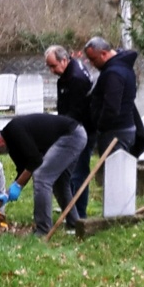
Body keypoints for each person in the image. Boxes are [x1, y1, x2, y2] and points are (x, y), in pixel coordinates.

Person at [0, 113, 86, 236]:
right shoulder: (11, 144)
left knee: (41, 177)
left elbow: (35, 161)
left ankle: (43, 229)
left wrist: (18, 185)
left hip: (72, 136)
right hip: (70, 136)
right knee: (59, 182)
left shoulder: (15, 131)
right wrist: (7, 194)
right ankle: (75, 224)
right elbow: (24, 169)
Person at [45, 45, 94, 219]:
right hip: (70, 127)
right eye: (49, 67)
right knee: (69, 171)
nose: (51, 71)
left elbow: (76, 111)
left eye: (53, 66)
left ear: (64, 60)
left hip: (82, 130)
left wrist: (60, 129)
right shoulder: (67, 74)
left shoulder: (76, 78)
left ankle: (78, 214)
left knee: (79, 172)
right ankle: (69, 204)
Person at [83, 36, 144, 157]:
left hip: (115, 132)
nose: (92, 64)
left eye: (93, 59)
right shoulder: (122, 68)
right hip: (123, 129)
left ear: (103, 54)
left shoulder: (113, 73)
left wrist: (100, 126)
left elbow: (111, 107)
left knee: (113, 172)